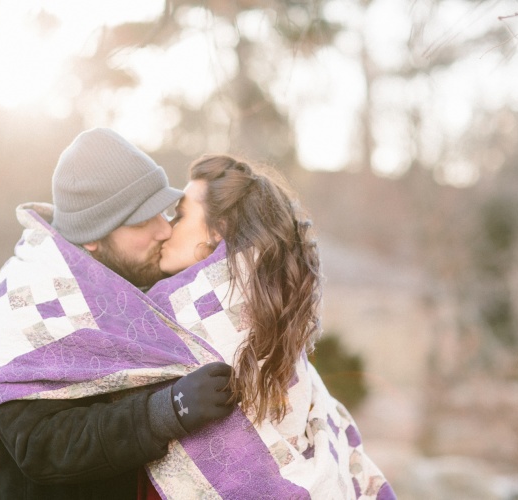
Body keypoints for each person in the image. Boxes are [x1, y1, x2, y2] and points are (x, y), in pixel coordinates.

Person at [0, 129, 235, 499]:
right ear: (92, 236)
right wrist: (168, 410)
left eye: (162, 212)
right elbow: (40, 446)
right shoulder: (22, 309)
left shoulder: (134, 284)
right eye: (140, 222)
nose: (164, 230)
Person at [145, 154, 396, 499]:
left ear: (217, 231)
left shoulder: (178, 321)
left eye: (181, 214)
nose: (167, 228)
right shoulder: (267, 316)